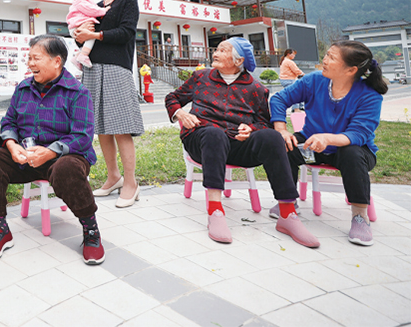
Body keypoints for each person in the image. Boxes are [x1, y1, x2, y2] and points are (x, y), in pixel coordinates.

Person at [165, 37, 319, 248]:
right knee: (214, 134)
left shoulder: (256, 88)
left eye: (223, 50)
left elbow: (263, 122)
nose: (215, 53)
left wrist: (251, 129)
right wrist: (181, 114)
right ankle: (215, 211)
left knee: (272, 136)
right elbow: (172, 98)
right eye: (216, 49)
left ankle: (287, 214)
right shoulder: (201, 77)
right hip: (203, 141)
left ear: (239, 61)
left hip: (238, 145)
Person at [0, 35, 104, 264]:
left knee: (66, 168)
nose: (30, 64)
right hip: (26, 158)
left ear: (56, 61)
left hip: (64, 158)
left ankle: (91, 230)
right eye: (29, 58)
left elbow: (82, 136)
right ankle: (0, 229)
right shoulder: (23, 88)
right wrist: (12, 145)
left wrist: (51, 152)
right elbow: (9, 122)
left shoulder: (78, 92)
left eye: (36, 58)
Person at [270, 41, 386, 246]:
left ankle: (360, 216)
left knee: (352, 154)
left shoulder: (370, 96)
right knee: (284, 146)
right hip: (312, 145)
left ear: (351, 70)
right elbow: (279, 99)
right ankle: (287, 202)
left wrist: (327, 138)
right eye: (326, 55)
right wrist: (281, 130)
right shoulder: (314, 81)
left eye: (331, 57)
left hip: (352, 150)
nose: (324, 60)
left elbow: (358, 133)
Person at [73, 0, 144, 208]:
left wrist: (95, 34)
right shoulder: (96, 5)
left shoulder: (128, 2)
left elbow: (126, 33)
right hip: (93, 69)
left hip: (116, 69)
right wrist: (80, 34)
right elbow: (84, 39)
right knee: (101, 127)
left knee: (121, 127)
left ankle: (131, 183)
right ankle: (113, 177)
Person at [66, 0, 108, 69]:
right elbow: (91, 10)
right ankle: (83, 55)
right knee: (91, 36)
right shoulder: (80, 0)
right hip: (78, 26)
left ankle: (77, 56)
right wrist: (104, 10)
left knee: (89, 37)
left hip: (78, 25)